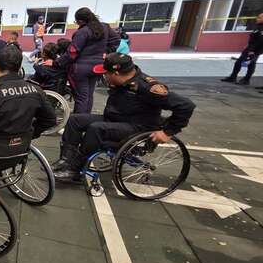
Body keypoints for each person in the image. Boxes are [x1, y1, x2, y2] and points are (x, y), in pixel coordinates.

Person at [52, 53, 196, 182]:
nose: (104, 77)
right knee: (75, 120)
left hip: (137, 126)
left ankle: (75, 170)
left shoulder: (148, 88)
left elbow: (186, 105)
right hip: (116, 119)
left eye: (106, 74)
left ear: (115, 73)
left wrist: (167, 132)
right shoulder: (121, 81)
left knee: (96, 129)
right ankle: (66, 160)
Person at [0, 45, 57, 143]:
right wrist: (30, 134)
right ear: (20, 67)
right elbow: (50, 119)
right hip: (23, 146)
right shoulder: (36, 90)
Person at [55, 7, 120, 114]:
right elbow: (116, 40)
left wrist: (56, 62)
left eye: (77, 21)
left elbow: (72, 52)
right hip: (97, 68)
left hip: (81, 69)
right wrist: (106, 52)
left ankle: (77, 124)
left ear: (81, 21)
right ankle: (85, 121)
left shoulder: (82, 32)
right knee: (89, 96)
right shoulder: (105, 27)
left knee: (81, 98)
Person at [221, 13, 263, 85]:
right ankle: (233, 77)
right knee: (241, 62)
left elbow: (260, 41)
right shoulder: (259, 26)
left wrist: (251, 51)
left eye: (259, 18)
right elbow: (253, 38)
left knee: (249, 63)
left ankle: (246, 79)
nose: (257, 19)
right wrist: (248, 46)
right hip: (250, 48)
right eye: (258, 17)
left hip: (255, 50)